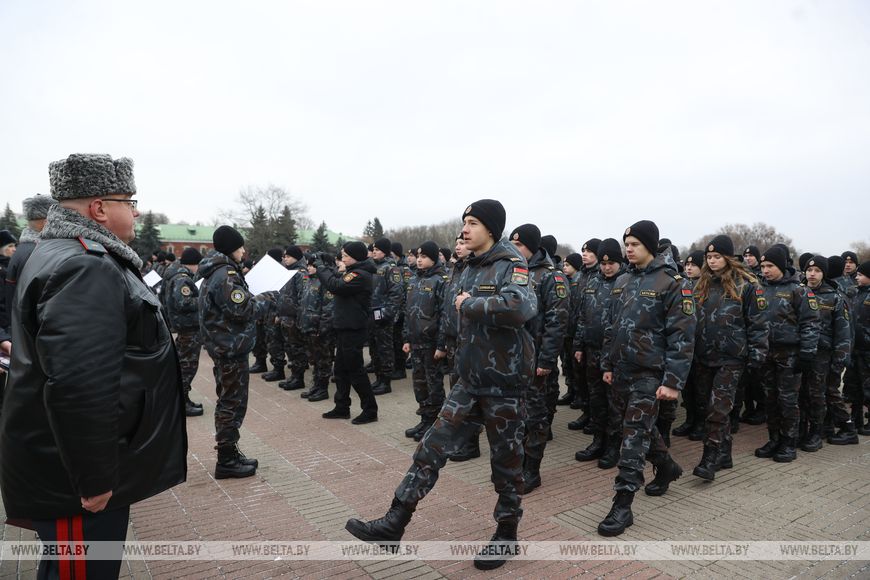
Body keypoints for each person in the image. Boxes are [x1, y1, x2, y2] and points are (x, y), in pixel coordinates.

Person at [0, 153, 187, 578]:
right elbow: (79, 384)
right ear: (99, 209)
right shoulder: (85, 265)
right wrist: (95, 478)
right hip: (73, 476)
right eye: (129, 201)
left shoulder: (61, 252)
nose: (136, 212)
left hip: (63, 460)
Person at [345, 199, 537, 571]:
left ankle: (506, 534)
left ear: (491, 228)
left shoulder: (510, 263)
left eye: (473, 222)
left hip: (503, 383)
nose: (465, 229)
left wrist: (472, 304)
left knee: (506, 464)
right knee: (431, 447)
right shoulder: (465, 266)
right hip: (468, 381)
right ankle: (395, 521)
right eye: (465, 222)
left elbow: (519, 307)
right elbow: (453, 313)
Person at [597, 220, 695, 537]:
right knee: (638, 427)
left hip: (650, 374)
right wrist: (607, 363)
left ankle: (622, 504)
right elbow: (612, 326)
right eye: (626, 244)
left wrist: (673, 381)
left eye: (635, 244)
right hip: (622, 371)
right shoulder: (623, 280)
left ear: (650, 246)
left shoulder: (673, 283)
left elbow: (682, 337)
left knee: (633, 438)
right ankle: (666, 466)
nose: (628, 249)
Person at [690, 235, 767, 481]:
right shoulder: (701, 284)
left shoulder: (747, 285)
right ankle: (725, 452)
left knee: (718, 409)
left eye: (717, 256)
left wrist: (757, 355)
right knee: (708, 407)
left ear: (728, 258)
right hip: (704, 356)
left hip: (731, 358)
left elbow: (758, 323)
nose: (712, 261)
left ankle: (710, 457)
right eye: (709, 257)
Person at [198, 225, 266, 478]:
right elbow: (242, 310)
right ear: (231, 249)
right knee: (231, 403)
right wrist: (268, 298)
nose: (244, 251)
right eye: (240, 247)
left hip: (225, 346)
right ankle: (226, 460)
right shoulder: (225, 274)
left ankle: (230, 451)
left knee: (230, 400)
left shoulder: (218, 271)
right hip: (230, 348)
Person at [508, 224, 568, 493]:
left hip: (536, 357)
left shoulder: (551, 277)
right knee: (516, 414)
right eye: (512, 244)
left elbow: (558, 322)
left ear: (532, 247)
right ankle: (517, 464)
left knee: (535, 416)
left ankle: (532, 469)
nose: (514, 249)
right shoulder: (512, 271)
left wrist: (546, 361)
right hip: (513, 357)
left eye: (519, 245)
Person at [754, 246, 820, 463]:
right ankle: (774, 439)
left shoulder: (799, 291)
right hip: (766, 352)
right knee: (770, 399)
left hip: (789, 354)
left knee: (788, 400)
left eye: (770, 266)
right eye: (763, 266)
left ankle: (789, 443)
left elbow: (810, 324)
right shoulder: (758, 289)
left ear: (782, 266)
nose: (765, 270)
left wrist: (807, 353)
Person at [573, 239, 626, 467]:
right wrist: (578, 345)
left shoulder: (626, 283)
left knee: (614, 403)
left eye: (611, 263)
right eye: (603, 263)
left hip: (615, 355)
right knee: (596, 400)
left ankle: (613, 447)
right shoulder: (592, 281)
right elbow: (583, 316)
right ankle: (598, 441)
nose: (606, 267)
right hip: (592, 350)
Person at [314, 242, 379, 423]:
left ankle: (370, 410)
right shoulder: (353, 271)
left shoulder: (360, 275)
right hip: (345, 327)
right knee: (340, 370)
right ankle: (342, 406)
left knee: (356, 371)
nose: (342, 258)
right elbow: (337, 278)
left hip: (353, 328)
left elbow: (335, 285)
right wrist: (327, 264)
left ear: (356, 257)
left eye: (346, 255)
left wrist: (320, 267)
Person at [799, 256, 854, 449]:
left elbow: (843, 331)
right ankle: (809, 429)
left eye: (817, 271)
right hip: (801, 352)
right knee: (803, 392)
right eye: (809, 270)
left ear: (824, 274)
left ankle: (819, 431)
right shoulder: (798, 292)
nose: (812, 274)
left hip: (823, 354)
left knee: (819, 393)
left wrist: (841, 358)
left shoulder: (835, 297)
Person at [401, 241, 448, 441]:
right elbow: (408, 312)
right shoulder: (414, 279)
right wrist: (406, 338)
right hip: (416, 342)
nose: (419, 260)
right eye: (418, 256)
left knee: (433, 384)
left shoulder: (441, 280)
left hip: (431, 344)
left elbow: (445, 315)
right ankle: (424, 419)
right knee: (419, 384)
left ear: (434, 258)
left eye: (424, 257)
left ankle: (435, 424)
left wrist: (442, 345)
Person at [3, 195, 55, 335]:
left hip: (21, 333)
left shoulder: (23, 249)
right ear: (47, 221)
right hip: (35, 336)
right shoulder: (38, 252)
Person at [166, 247, 206, 416]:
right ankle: (182, 403)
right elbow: (184, 302)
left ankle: (183, 399)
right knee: (187, 367)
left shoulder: (178, 276)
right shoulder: (182, 279)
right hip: (188, 329)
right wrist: (203, 298)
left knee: (184, 365)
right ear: (194, 264)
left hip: (186, 328)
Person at [298, 254, 336, 402]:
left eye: (312, 265)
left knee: (323, 360)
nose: (309, 267)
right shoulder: (309, 280)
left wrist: (323, 327)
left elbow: (329, 308)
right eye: (308, 265)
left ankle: (323, 389)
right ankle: (316, 386)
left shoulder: (326, 282)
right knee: (315, 359)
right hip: (309, 327)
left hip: (320, 328)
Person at [369, 237, 404, 395]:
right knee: (374, 348)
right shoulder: (373, 266)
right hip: (372, 314)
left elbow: (396, 294)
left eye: (377, 250)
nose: (374, 252)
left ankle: (385, 381)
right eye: (373, 249)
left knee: (385, 349)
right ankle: (378, 378)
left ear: (385, 251)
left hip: (383, 316)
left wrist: (387, 314)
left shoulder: (391, 268)